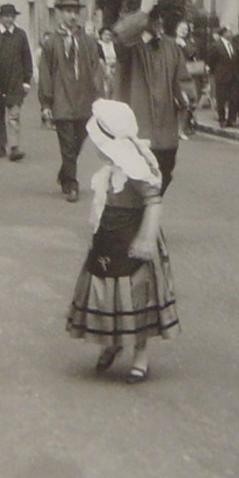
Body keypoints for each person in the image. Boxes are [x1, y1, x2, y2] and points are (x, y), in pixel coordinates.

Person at [67, 99, 179, 383]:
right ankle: (112, 340)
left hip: (133, 234)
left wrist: (146, 237)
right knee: (108, 291)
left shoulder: (134, 167)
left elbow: (154, 200)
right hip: (110, 236)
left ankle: (140, 355)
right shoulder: (112, 167)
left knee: (136, 295)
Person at [112, 0, 195, 195]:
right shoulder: (130, 47)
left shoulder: (171, 46)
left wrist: (186, 96)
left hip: (166, 132)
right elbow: (119, 36)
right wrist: (142, 12)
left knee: (163, 177)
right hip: (138, 131)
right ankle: (146, 223)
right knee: (137, 181)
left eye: (159, 17)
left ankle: (149, 217)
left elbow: (182, 77)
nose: (157, 22)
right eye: (153, 17)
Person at [39, 0, 106, 202]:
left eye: (75, 12)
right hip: (61, 100)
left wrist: (99, 97)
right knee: (67, 144)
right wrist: (46, 103)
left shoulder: (88, 42)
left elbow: (96, 70)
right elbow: (45, 74)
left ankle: (64, 173)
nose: (72, 16)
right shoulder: (51, 43)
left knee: (78, 143)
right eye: (68, 11)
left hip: (84, 100)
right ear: (60, 13)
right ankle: (71, 184)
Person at [0, 4, 34, 161]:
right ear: (0, 18)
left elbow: (27, 58)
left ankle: (15, 148)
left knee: (14, 114)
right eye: (6, 16)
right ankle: (2, 146)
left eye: (12, 16)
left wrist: (26, 81)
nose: (9, 19)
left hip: (15, 81)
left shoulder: (20, 35)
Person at [207, 25, 239, 126]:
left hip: (234, 75)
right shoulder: (216, 45)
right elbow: (211, 61)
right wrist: (216, 71)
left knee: (234, 98)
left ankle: (231, 119)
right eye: (229, 32)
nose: (231, 34)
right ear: (223, 33)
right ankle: (222, 119)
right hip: (222, 75)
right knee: (221, 99)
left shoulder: (233, 44)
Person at [96, 26, 119, 96]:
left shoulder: (114, 45)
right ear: (101, 35)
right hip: (103, 68)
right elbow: (100, 59)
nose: (107, 37)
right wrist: (106, 70)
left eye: (109, 35)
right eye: (105, 34)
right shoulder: (98, 45)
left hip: (115, 68)